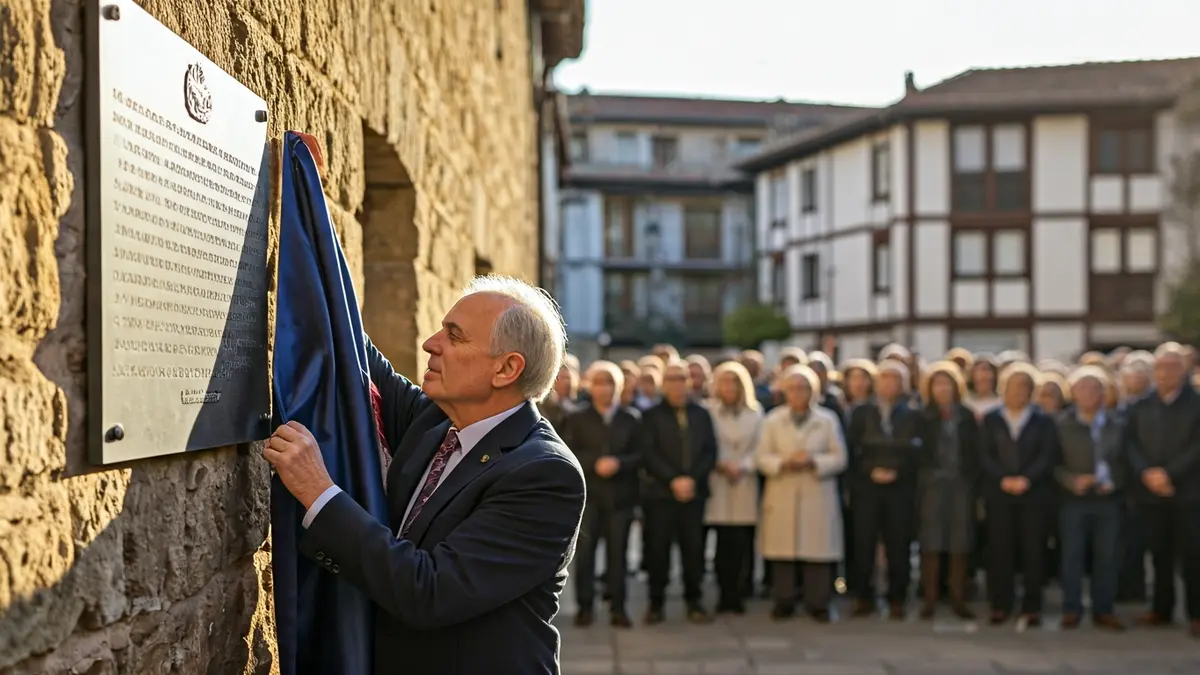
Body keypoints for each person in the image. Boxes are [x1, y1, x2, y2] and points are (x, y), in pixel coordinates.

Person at [264, 275, 586, 675]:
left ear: (506, 368)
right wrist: (309, 259)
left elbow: (429, 592)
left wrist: (318, 492)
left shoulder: (544, 474)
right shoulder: (434, 420)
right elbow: (354, 349)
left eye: (454, 336)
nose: (430, 343)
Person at [757, 364, 847, 622]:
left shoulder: (827, 420)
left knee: (817, 550)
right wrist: (783, 463)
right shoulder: (772, 420)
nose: (798, 393)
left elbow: (840, 457)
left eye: (803, 388)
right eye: (792, 388)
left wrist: (813, 461)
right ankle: (783, 601)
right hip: (783, 489)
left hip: (816, 490)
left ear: (813, 391)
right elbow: (762, 457)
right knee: (783, 549)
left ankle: (818, 603)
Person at [977, 362, 1059, 627]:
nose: (1018, 391)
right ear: (1003, 389)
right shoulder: (991, 419)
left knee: (1033, 551)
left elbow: (1047, 455)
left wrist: (1027, 479)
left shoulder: (1043, 421)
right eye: (1013, 386)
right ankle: (1001, 604)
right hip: (999, 495)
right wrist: (1003, 479)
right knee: (1000, 550)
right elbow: (984, 455)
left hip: (1033, 496)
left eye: (1024, 386)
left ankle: (1032, 606)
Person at [561, 360, 641, 629]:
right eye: (599, 383)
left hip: (621, 498)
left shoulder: (630, 418)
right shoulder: (577, 418)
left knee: (618, 556)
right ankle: (585, 607)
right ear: (590, 387)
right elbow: (568, 452)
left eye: (610, 383)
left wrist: (620, 463)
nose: (605, 389)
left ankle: (618, 607)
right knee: (585, 554)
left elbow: (641, 454)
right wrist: (594, 462)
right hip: (589, 498)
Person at [640, 361, 719, 624]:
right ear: (664, 384)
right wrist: (673, 480)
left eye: (682, 378)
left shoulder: (702, 413)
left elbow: (710, 451)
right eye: (672, 379)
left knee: (694, 550)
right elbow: (649, 452)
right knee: (658, 550)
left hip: (694, 494)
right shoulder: (651, 415)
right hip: (661, 495)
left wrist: (691, 479)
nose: (677, 384)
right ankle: (656, 603)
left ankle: (694, 600)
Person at [1054, 366, 1126, 631]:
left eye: (1095, 389)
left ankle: (1103, 610)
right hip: (1074, 499)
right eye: (1082, 388)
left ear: (1103, 394)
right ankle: (1071, 609)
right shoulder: (1060, 424)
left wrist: (1115, 482)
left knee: (1107, 556)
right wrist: (1071, 481)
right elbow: (1051, 463)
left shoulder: (1119, 423)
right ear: (1072, 393)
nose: (1088, 393)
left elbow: (1127, 461)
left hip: (1108, 499)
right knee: (1071, 555)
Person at [914, 361, 979, 620]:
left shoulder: (967, 416)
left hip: (961, 484)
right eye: (938, 384)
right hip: (931, 484)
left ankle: (958, 597)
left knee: (959, 540)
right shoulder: (922, 416)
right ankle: (929, 597)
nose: (942, 389)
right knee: (931, 540)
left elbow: (975, 451)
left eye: (947, 384)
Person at [703, 361, 763, 615]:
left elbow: (761, 446)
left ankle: (739, 593)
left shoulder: (756, 413)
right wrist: (720, 463)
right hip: (718, 479)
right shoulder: (708, 411)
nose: (729, 387)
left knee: (741, 543)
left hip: (744, 481)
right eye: (724, 382)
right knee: (722, 544)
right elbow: (704, 443)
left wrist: (744, 466)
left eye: (734, 382)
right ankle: (723, 594)